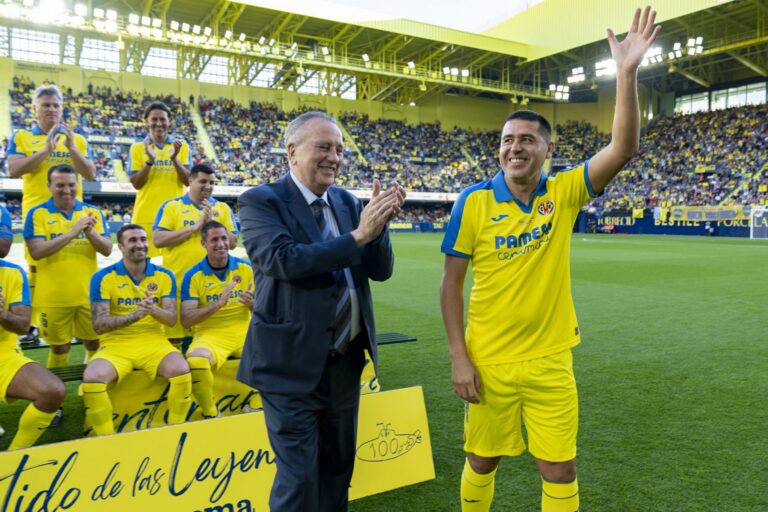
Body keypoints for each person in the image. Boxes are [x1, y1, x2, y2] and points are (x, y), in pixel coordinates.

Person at [439, 8, 660, 512]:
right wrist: (459, 356)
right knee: (481, 459)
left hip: (550, 358)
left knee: (559, 467)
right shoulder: (473, 202)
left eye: (527, 140)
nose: (514, 148)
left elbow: (623, 148)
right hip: (488, 359)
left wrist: (626, 73)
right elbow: (450, 284)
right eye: (507, 140)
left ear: (548, 149)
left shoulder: (562, 193)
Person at [236, 110, 405, 512]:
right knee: (298, 479)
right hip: (288, 365)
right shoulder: (261, 200)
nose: (335, 157)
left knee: (336, 472)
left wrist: (378, 230)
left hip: (344, 364)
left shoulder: (348, 201)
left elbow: (380, 272)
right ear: (292, 152)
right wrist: (359, 235)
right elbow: (284, 260)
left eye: (340, 150)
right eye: (324, 147)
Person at [7, 84, 96, 339]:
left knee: (75, 261)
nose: (51, 110)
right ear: (35, 108)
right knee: (36, 266)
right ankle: (31, 323)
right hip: (37, 214)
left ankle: (77, 316)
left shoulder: (76, 139)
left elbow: (89, 173)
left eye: (56, 106)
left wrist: (71, 148)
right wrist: (45, 149)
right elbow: (14, 170)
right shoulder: (22, 136)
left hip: (73, 214)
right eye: (46, 105)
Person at [84, 224, 191, 435]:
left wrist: (152, 310)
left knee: (181, 370)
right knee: (93, 377)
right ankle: (106, 437)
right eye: (132, 240)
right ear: (121, 246)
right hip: (116, 345)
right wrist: (134, 316)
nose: (140, 244)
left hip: (154, 342)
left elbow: (170, 320)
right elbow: (99, 325)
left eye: (143, 239)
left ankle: (176, 429)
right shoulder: (103, 277)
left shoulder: (164, 275)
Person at [24, 165, 112, 368]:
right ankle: (54, 397)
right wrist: (73, 233)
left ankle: (91, 388)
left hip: (88, 295)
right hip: (53, 297)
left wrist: (90, 233)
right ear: (49, 186)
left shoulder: (92, 212)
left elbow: (107, 249)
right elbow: (37, 252)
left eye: (71, 185)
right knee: (59, 347)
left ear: (77, 185)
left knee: (94, 342)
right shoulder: (37, 214)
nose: (67, 190)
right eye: (60, 185)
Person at [153, 164, 238, 345]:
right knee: (174, 339)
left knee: (207, 338)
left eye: (212, 182)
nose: (208, 186)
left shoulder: (222, 209)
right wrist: (195, 228)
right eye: (203, 181)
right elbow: (158, 239)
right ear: (190, 181)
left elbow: (232, 243)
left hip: (210, 289)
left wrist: (211, 223)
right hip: (177, 285)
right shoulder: (171, 207)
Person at [180, 220, 254, 419]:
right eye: (214, 240)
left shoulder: (246, 268)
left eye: (223, 238)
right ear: (204, 244)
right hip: (211, 334)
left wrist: (252, 305)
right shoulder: (193, 275)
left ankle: (257, 404)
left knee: (278, 347)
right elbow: (186, 320)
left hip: (244, 330)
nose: (221, 244)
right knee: (196, 360)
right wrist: (217, 304)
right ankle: (210, 413)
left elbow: (267, 310)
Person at [129, 101, 191, 258]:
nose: (159, 123)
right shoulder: (137, 148)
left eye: (163, 119)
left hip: (175, 216)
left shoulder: (181, 147)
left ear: (169, 121)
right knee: (144, 267)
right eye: (154, 119)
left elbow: (188, 181)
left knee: (175, 264)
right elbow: (137, 184)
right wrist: (149, 161)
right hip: (145, 217)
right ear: (147, 121)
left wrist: (175, 158)